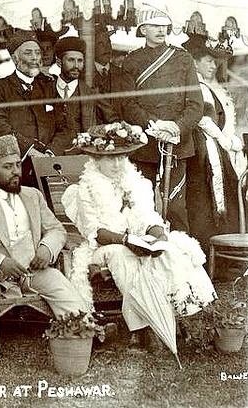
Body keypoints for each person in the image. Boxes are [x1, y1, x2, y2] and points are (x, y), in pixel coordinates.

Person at [61, 123, 216, 350]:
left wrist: (158, 235)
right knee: (123, 257)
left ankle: (189, 313)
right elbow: (95, 231)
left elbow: (147, 216)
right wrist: (126, 241)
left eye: (121, 157)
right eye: (110, 159)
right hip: (102, 246)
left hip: (137, 240)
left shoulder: (138, 183)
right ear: (96, 160)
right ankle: (144, 327)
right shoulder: (85, 189)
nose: (117, 164)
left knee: (173, 250)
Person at [0, 135, 92, 365]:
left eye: (17, 164)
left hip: (32, 269)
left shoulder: (32, 195)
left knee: (60, 286)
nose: (16, 171)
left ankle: (84, 329)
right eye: (7, 167)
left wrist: (46, 249)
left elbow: (56, 229)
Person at [120, 4, 204, 232]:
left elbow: (195, 104)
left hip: (177, 143)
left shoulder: (183, 59)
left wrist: (177, 127)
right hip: (145, 143)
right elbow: (128, 104)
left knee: (176, 208)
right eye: (155, 26)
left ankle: (180, 252)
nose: (161, 30)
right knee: (141, 205)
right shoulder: (131, 61)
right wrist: (154, 124)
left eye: (164, 26)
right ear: (143, 29)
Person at [182, 34, 241, 254]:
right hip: (203, 151)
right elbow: (203, 119)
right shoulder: (197, 86)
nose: (213, 65)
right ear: (195, 62)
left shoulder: (212, 86)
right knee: (204, 203)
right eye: (208, 61)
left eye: (214, 62)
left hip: (216, 150)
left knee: (226, 198)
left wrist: (229, 141)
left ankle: (226, 255)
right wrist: (225, 141)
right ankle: (209, 254)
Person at [0, 30, 56, 187]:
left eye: (37, 52)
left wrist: (51, 153)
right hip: (17, 168)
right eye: (28, 53)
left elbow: (64, 124)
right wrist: (30, 151)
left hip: (51, 165)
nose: (35, 58)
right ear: (15, 58)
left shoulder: (50, 85)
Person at [49, 37, 119, 155]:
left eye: (80, 61)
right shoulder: (46, 90)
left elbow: (114, 122)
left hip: (82, 157)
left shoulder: (91, 93)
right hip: (50, 155)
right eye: (71, 60)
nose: (76, 66)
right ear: (59, 62)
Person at [93, 25, 123, 123]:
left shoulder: (122, 74)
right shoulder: (83, 75)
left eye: (108, 42)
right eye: (100, 44)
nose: (107, 48)